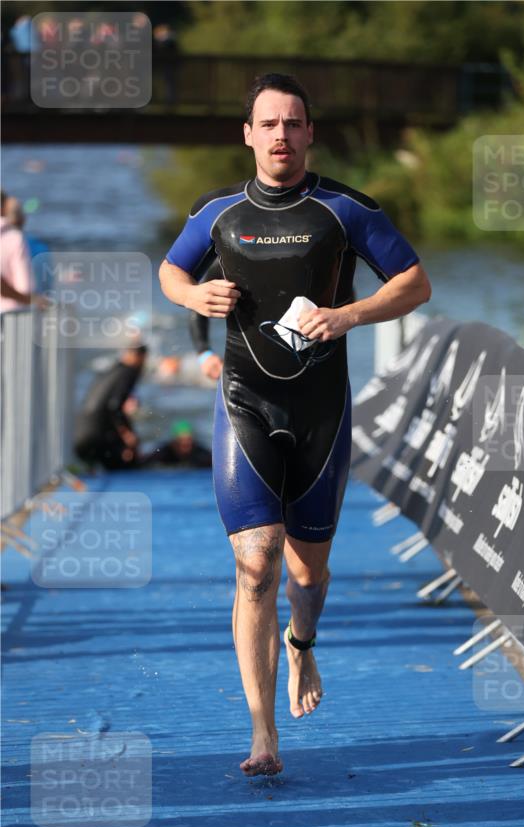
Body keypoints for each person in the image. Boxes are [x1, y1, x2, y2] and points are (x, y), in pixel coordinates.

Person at [159, 73, 431, 777]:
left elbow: (414, 282)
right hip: (245, 402)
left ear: (310, 134)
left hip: (321, 413)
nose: (280, 135)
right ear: (247, 135)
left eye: (293, 124)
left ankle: (303, 643)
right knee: (255, 563)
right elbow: (168, 270)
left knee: (306, 572)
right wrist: (194, 290)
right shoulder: (218, 213)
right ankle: (262, 734)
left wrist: (348, 315)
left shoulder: (344, 211)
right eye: (268, 124)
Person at [74, 346, 147, 470]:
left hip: (80, 433)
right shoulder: (129, 371)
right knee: (130, 460)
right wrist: (127, 434)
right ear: (138, 357)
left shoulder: (112, 370)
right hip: (97, 436)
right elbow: (114, 406)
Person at [143, 419, 212, 468]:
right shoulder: (163, 453)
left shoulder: (201, 454)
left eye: (188, 440)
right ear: (173, 442)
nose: (185, 444)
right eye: (180, 441)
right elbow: (143, 464)